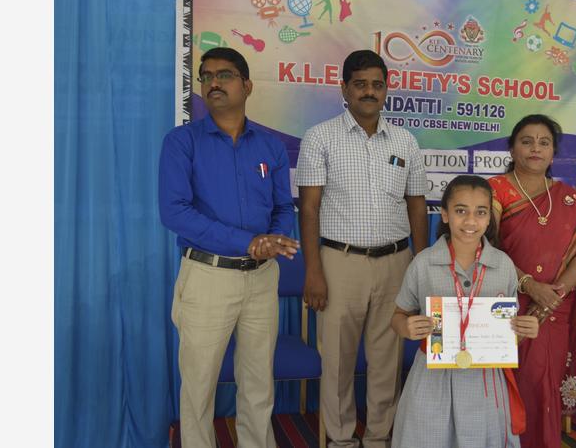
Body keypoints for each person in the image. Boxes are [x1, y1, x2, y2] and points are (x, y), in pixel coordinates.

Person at [159, 47, 299, 448]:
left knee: (258, 382)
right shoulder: (182, 142)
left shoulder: (270, 147)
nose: (213, 83)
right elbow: (174, 212)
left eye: (224, 75)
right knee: (198, 385)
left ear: (247, 86)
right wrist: (247, 242)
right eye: (206, 76)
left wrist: (273, 240)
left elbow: (282, 208)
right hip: (208, 277)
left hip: (261, 278)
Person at [295, 49, 429, 448]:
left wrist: (421, 266)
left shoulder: (405, 141)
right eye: (360, 84)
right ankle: (339, 439)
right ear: (344, 89)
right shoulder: (320, 137)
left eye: (376, 84)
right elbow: (309, 208)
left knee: (386, 359)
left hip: (396, 263)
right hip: (340, 262)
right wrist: (313, 271)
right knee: (337, 359)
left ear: (386, 89)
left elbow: (417, 205)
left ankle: (378, 437)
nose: (369, 92)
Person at [390, 175, 540, 448]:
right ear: (445, 214)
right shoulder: (423, 263)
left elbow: (508, 333)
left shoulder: (503, 265)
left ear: (489, 218)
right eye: (461, 211)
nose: (471, 221)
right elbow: (398, 316)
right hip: (433, 380)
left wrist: (524, 329)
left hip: (485, 383)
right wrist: (406, 327)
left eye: (480, 212)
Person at [488, 115, 576, 448]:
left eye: (544, 142)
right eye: (526, 141)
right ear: (512, 149)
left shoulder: (569, 199)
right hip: (506, 301)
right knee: (503, 385)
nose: (535, 148)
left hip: (554, 308)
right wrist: (530, 286)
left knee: (542, 385)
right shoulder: (494, 190)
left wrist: (555, 294)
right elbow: (487, 249)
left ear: (554, 153)